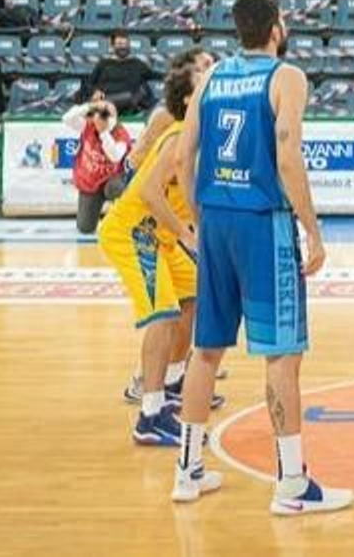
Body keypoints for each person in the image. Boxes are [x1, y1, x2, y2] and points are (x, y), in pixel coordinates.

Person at [171, 0, 352, 515]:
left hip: (217, 219)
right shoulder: (286, 77)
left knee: (205, 350)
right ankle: (292, 485)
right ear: (276, 27)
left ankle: (188, 471)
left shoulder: (210, 78)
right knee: (281, 356)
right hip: (262, 223)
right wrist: (313, 231)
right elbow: (288, 154)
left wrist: (201, 222)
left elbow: (185, 157)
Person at [98, 65, 220, 446]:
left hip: (160, 237)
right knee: (163, 315)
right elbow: (151, 192)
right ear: (188, 99)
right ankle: (149, 416)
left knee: (192, 297)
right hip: (134, 232)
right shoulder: (180, 134)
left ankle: (168, 386)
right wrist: (188, 234)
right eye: (203, 79)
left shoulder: (199, 136)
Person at [63, 96, 133, 235]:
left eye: (108, 114)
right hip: (91, 183)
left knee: (115, 188)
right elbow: (67, 118)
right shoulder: (88, 126)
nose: (104, 116)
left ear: (116, 116)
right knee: (85, 228)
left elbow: (114, 157)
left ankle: (124, 220)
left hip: (112, 180)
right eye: (102, 113)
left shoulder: (121, 133)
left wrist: (104, 133)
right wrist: (91, 106)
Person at [77, 29, 159, 114]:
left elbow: (155, 75)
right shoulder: (103, 64)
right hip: (105, 102)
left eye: (126, 44)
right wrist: (95, 91)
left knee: (133, 96)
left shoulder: (137, 64)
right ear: (112, 46)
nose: (123, 47)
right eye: (120, 44)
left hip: (128, 104)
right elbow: (90, 83)